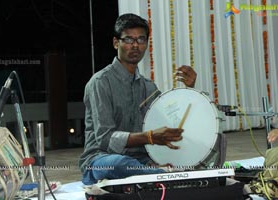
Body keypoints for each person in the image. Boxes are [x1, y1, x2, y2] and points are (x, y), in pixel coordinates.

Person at [79, 13, 197, 185]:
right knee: (119, 164)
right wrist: (148, 137)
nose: (135, 45)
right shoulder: (100, 83)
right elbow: (105, 139)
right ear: (115, 43)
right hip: (101, 160)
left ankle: (158, 173)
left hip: (141, 160)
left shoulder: (149, 87)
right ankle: (168, 176)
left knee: (189, 152)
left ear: (146, 44)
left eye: (141, 39)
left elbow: (170, 127)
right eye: (128, 39)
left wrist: (189, 89)